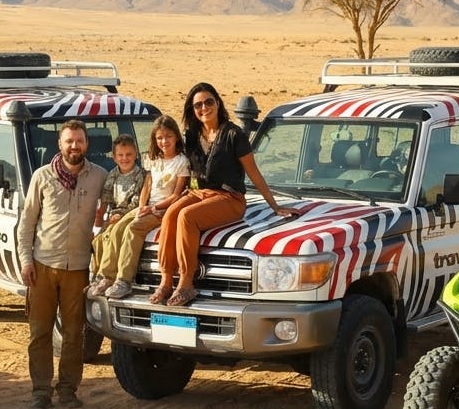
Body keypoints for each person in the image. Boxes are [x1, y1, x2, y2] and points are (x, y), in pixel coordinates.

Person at [153, 83, 300, 307]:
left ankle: (186, 283)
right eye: (198, 104)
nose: (204, 107)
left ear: (218, 103)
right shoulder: (191, 135)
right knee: (171, 214)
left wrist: (275, 206)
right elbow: (172, 159)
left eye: (209, 101)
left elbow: (254, 173)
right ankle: (165, 282)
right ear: (193, 110)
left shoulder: (234, 134)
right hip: (200, 192)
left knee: (187, 217)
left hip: (229, 198)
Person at [17, 119, 107, 409]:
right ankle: (40, 392)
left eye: (79, 140)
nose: (74, 146)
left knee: (73, 333)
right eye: (69, 141)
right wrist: (25, 260)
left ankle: (68, 390)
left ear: (86, 144)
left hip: (79, 269)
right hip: (43, 266)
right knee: (40, 332)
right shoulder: (42, 177)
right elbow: (26, 222)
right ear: (60, 144)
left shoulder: (100, 177)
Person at [90, 115, 189, 300]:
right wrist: (143, 206)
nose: (164, 141)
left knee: (133, 228)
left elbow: (176, 195)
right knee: (116, 228)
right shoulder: (153, 158)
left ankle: (124, 280)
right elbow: (147, 187)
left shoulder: (181, 162)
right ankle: (106, 276)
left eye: (168, 136)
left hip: (164, 209)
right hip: (146, 207)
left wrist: (153, 208)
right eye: (159, 138)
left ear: (176, 136)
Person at [88, 134, 147, 297]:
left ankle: (109, 276)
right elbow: (105, 199)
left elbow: (137, 200)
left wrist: (120, 216)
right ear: (114, 157)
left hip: (130, 214)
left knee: (114, 233)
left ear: (136, 154)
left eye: (129, 154)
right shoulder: (112, 174)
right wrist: (99, 222)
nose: (125, 158)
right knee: (100, 238)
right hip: (113, 215)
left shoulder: (140, 175)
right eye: (120, 155)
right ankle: (98, 275)